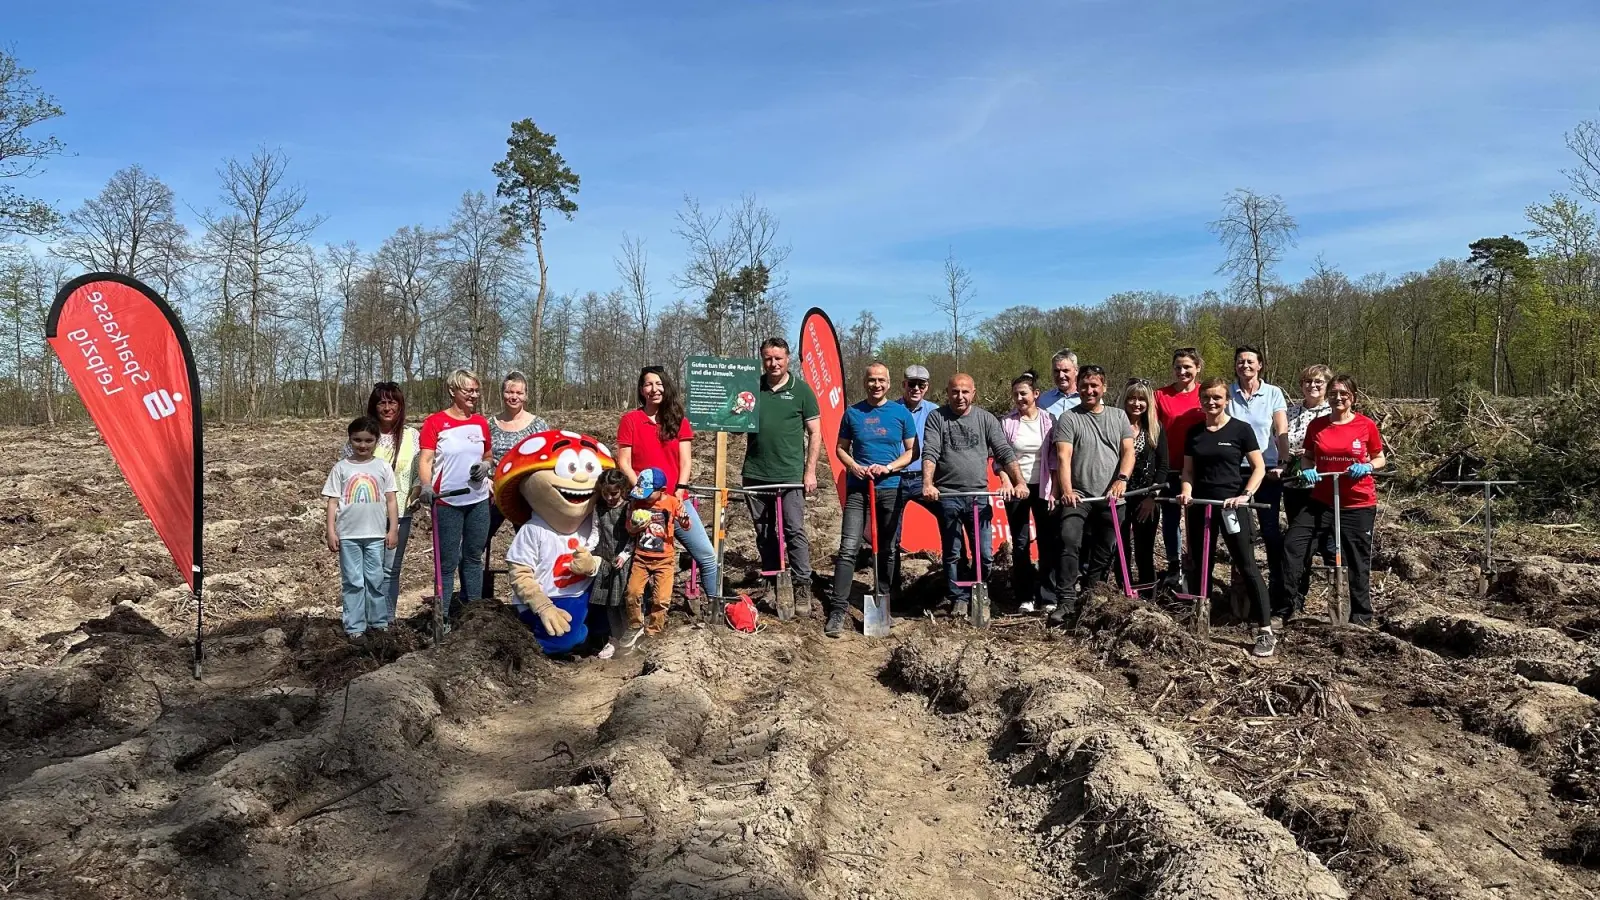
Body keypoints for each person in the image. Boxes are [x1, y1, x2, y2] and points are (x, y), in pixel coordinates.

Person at [1181, 377, 1275, 658]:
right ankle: (1200, 620)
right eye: (1206, 397)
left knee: (1246, 564)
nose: (1211, 402)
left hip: (1231, 506)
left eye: (1217, 398)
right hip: (1201, 506)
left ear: (1226, 400)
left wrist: (1245, 495)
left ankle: (1265, 629)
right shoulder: (1194, 432)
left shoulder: (1240, 429)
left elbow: (1258, 468)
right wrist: (1186, 491)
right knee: (1201, 564)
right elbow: (1188, 472)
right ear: (1200, 400)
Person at [1282, 374, 1386, 626]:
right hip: (1321, 500)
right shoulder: (1317, 425)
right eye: (1333, 394)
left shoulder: (1365, 425)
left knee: (1356, 559)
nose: (1338, 398)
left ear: (1353, 398)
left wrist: (1368, 466)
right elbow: (1308, 456)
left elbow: (1380, 457)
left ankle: (1360, 616)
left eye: (1344, 394)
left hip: (1357, 502)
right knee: (1294, 545)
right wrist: (1308, 469)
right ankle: (1286, 606)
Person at [922, 373, 1026, 618]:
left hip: (978, 496)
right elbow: (931, 451)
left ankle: (978, 591)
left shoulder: (986, 419)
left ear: (973, 393)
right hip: (948, 496)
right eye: (955, 391)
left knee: (984, 554)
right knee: (953, 552)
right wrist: (928, 483)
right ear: (948, 393)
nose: (960, 396)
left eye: (965, 392)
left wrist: (1019, 481)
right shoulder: (937, 418)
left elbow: (1003, 451)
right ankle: (958, 597)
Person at [616, 366, 719, 599]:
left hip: (676, 501)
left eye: (659, 384)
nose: (654, 389)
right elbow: (624, 462)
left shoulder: (679, 421)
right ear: (641, 390)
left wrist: (679, 492)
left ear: (666, 387)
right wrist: (645, 492)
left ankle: (715, 607)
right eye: (648, 384)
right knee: (638, 561)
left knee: (707, 557)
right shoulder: (630, 420)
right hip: (643, 505)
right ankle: (639, 610)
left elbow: (686, 461)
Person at [1049, 365, 1135, 625]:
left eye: (1094, 386)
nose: (1089, 390)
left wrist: (1121, 480)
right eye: (1084, 386)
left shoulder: (1119, 416)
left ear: (1104, 388)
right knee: (1069, 540)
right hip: (1079, 496)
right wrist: (1066, 491)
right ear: (1078, 388)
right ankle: (1065, 600)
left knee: (1105, 547)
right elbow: (1063, 457)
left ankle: (1092, 594)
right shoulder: (1069, 418)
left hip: (1111, 496)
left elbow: (1128, 452)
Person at [742, 338, 823, 607]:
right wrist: (734, 413)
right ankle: (772, 580)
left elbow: (815, 433)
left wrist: (810, 472)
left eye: (778, 358)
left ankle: (802, 585)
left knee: (793, 529)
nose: (773, 363)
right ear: (762, 360)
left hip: (790, 474)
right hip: (756, 473)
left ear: (788, 359)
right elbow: (736, 428)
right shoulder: (752, 388)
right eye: (768, 358)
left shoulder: (802, 391)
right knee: (765, 532)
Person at [417, 368, 493, 628]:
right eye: (468, 390)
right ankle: (443, 618)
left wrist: (486, 465)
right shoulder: (435, 423)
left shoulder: (481, 423)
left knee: (473, 558)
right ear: (453, 391)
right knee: (447, 564)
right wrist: (426, 486)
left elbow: (488, 454)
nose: (474, 395)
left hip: (478, 500)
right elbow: (426, 459)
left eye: (476, 390)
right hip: (447, 501)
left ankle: (474, 616)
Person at [345, 382, 419, 622]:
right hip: (366, 514)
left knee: (390, 570)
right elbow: (348, 472)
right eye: (382, 403)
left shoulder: (411, 436)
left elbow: (419, 470)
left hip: (400, 512)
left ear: (400, 405)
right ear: (374, 406)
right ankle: (363, 619)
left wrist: (417, 491)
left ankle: (385, 621)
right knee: (366, 570)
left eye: (392, 402)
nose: (387, 408)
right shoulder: (364, 436)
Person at [323, 417, 400, 639]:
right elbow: (333, 502)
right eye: (357, 440)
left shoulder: (383, 467)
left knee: (375, 579)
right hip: (348, 535)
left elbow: (391, 500)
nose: (363, 445)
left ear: (376, 441)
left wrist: (393, 529)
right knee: (353, 581)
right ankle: (355, 626)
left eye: (368, 440)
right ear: (350, 440)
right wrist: (331, 531)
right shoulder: (341, 468)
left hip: (376, 535)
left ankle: (378, 623)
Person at [1227, 346, 1290, 610]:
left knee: (1270, 529)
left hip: (1267, 469)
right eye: (1240, 361)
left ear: (1260, 365)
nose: (1245, 366)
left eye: (1250, 361)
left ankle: (1276, 587)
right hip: (1235, 469)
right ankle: (1242, 587)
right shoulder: (1228, 393)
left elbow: (1281, 428)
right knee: (1238, 532)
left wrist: (1283, 461)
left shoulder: (1273, 393)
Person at [997, 371, 1057, 613]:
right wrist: (1006, 481)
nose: (1019, 398)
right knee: (1020, 543)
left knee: (1047, 541)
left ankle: (1049, 596)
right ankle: (1025, 596)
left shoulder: (1050, 420)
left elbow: (1055, 458)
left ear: (1036, 394)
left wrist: (1054, 490)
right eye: (1015, 395)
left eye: (1023, 393)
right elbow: (1000, 457)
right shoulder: (1007, 423)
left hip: (1043, 487)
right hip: (1016, 489)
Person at [1279, 363, 1336, 618]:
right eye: (1308, 382)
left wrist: (1311, 455)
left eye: (1318, 382)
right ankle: (1296, 599)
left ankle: (1337, 603)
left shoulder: (1333, 412)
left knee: (1326, 543)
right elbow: (1281, 441)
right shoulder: (1291, 412)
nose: (1312, 386)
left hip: (1322, 485)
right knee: (1298, 544)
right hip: (1294, 484)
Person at [624, 467, 691, 645]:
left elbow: (686, 526)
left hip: (664, 560)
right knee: (632, 593)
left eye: (648, 494)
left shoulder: (672, 502)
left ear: (662, 490)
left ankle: (654, 631)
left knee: (661, 599)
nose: (644, 498)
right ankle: (635, 625)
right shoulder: (636, 503)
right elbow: (629, 529)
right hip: (641, 558)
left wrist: (684, 520)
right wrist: (635, 527)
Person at [1155, 348, 1204, 583]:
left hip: (1200, 468)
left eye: (1187, 367)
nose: (1182, 371)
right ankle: (1174, 565)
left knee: (1198, 519)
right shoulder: (1160, 395)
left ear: (1198, 368)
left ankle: (1197, 563)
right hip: (1171, 466)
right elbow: (1152, 431)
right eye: (1178, 367)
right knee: (1171, 518)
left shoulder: (1206, 394)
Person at [486, 371, 551, 544]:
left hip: (526, 494)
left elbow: (547, 460)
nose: (514, 397)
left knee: (529, 544)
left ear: (525, 396)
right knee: (477, 542)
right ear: (502, 393)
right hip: (494, 492)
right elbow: (481, 455)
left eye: (519, 393)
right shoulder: (489, 424)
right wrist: (486, 479)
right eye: (509, 392)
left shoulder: (538, 425)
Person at [891, 364, 938, 587]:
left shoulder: (935, 412)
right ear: (904, 385)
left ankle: (953, 579)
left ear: (927, 387)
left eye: (921, 385)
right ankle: (891, 588)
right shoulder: (890, 409)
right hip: (895, 478)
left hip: (925, 479)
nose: (916, 389)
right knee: (891, 535)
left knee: (950, 519)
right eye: (912, 384)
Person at [1121, 379, 1169, 590]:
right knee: (1120, 547)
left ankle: (1148, 593)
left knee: (1144, 549)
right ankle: (1123, 589)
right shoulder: (1115, 425)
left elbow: (1163, 466)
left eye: (1141, 399)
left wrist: (1153, 497)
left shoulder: (1155, 428)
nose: (1136, 403)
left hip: (1147, 497)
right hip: (1120, 496)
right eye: (1132, 398)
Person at [589, 468, 634, 658]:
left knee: (624, 602)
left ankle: (629, 639)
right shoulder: (599, 509)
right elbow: (595, 533)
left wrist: (624, 555)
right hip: (607, 562)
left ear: (622, 490)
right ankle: (614, 638)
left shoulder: (628, 508)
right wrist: (586, 550)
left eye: (613, 493)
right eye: (605, 493)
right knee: (610, 605)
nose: (609, 498)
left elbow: (633, 537)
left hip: (624, 563)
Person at [1038, 348, 1081, 417]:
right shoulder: (1043, 401)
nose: (1061, 375)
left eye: (1065, 371)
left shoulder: (1087, 399)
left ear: (1076, 371)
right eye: (1057, 371)